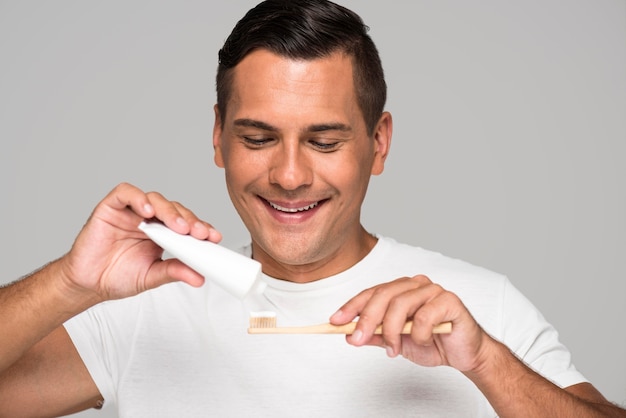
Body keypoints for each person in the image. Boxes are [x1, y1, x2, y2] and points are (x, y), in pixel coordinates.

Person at [0, 0, 624, 416]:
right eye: (258, 138)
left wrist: (487, 363)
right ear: (217, 138)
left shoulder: (478, 309)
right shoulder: (138, 313)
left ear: (377, 143)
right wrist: (68, 283)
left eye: (324, 141)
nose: (290, 175)